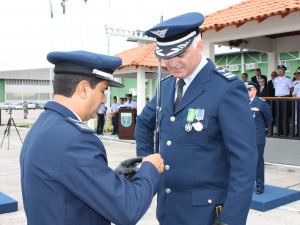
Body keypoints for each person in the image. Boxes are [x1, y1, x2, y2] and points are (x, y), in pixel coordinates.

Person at [135, 12, 257, 225]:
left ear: (199, 47)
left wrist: (231, 219)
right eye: (165, 57)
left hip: (206, 215)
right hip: (168, 209)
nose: (172, 64)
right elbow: (143, 124)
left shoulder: (226, 88)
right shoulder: (166, 87)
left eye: (180, 55)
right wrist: (149, 164)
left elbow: (244, 161)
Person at [20, 50, 164, 225]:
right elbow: (127, 209)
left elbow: (70, 183)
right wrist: (149, 169)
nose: (104, 100)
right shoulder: (75, 140)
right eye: (103, 90)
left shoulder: (44, 124)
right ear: (83, 89)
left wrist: (111, 179)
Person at [246, 81, 273, 194]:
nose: (246, 91)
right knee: (245, 161)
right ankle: (246, 184)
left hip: (257, 137)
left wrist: (261, 130)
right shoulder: (242, 102)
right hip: (245, 137)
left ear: (255, 90)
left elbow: (269, 120)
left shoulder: (261, 103)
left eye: (249, 89)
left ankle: (260, 185)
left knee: (258, 162)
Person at [274, 65, 294, 135]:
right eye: (279, 70)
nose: (280, 71)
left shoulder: (287, 79)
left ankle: (286, 131)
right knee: (278, 115)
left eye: (282, 70)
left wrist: (287, 93)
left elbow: (291, 88)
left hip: (284, 98)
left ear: (284, 72)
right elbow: (275, 88)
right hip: (277, 98)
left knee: (285, 115)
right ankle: (279, 131)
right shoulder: (275, 80)